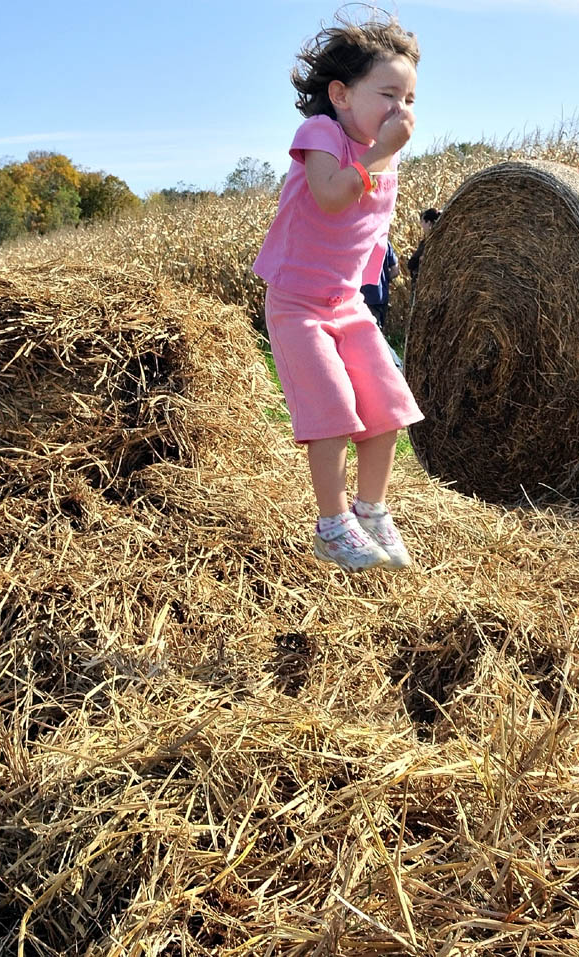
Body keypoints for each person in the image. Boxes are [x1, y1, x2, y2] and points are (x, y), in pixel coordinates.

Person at [253, 12, 423, 572]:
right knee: (332, 410)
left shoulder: (386, 153)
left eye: (411, 98)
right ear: (341, 94)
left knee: (387, 404)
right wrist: (378, 156)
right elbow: (330, 196)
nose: (403, 111)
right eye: (390, 95)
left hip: (347, 302)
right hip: (298, 304)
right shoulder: (321, 135)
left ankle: (371, 510)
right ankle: (331, 526)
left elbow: (370, 225)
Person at [361, 241, 399, 331]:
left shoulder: (359, 239)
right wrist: (384, 280)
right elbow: (395, 270)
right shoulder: (384, 241)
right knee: (377, 332)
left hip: (362, 296)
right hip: (381, 296)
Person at [407, 207, 441, 294]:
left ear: (428, 222)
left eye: (422, 222)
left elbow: (411, 264)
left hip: (426, 287)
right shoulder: (430, 241)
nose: (421, 225)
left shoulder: (430, 243)